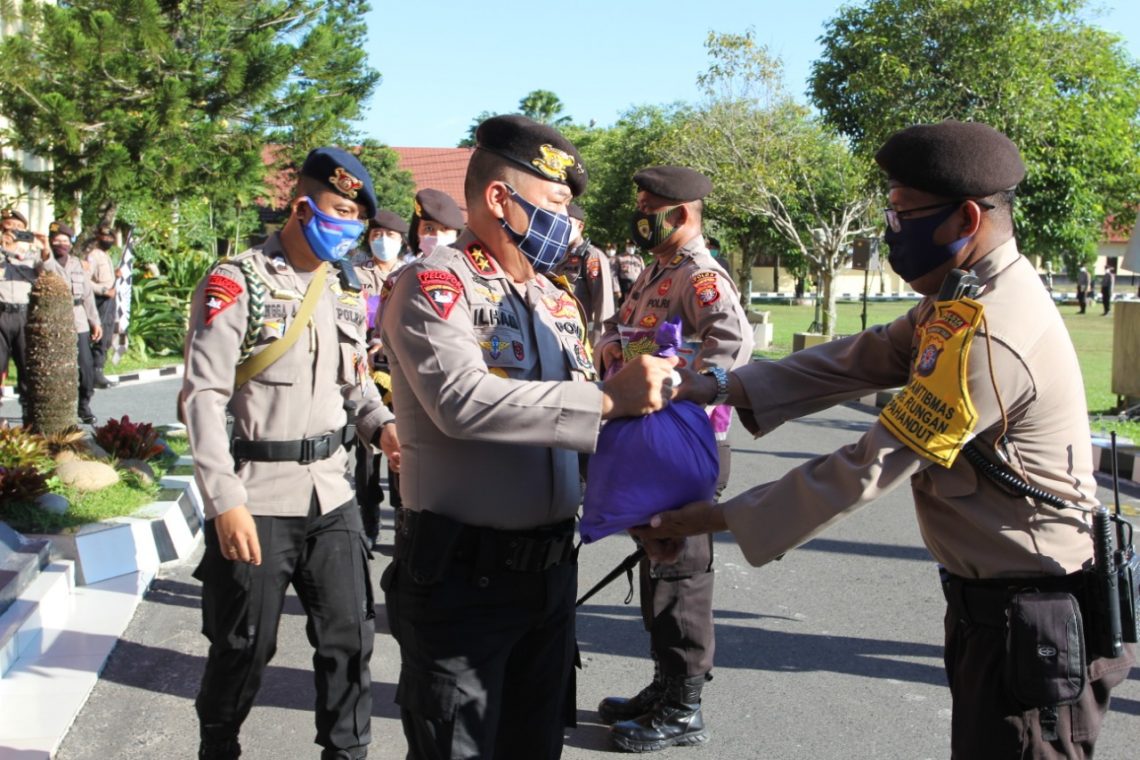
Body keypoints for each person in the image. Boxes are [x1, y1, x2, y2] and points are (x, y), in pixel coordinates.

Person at [635, 120, 1136, 758]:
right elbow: (861, 356)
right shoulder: (966, 293)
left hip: (1033, 614)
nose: (891, 231)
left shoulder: (992, 328)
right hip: (995, 605)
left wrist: (713, 517)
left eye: (903, 214)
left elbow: (871, 462)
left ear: (965, 218)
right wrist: (708, 385)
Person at [377, 114, 678, 760]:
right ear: (497, 200)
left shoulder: (555, 301)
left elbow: (571, 436)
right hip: (462, 583)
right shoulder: (436, 285)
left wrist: (638, 505)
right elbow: (461, 402)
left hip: (548, 580)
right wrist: (603, 397)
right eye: (555, 205)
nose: (567, 225)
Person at [180, 147, 399, 760]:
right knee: (244, 644)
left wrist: (382, 426)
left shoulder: (349, 286)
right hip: (258, 496)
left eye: (357, 219)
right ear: (301, 207)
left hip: (332, 492)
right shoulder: (238, 280)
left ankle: (346, 753)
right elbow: (202, 398)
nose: (351, 229)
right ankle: (218, 744)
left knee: (350, 640)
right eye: (337, 212)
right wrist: (223, 502)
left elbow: (353, 384)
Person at [592, 165, 753, 753]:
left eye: (648, 205)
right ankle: (665, 685)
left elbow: (732, 349)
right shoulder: (658, 270)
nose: (639, 214)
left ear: (681, 214)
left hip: (685, 441)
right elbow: (626, 332)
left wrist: (682, 384)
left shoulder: (700, 276)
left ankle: (686, 706)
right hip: (651, 440)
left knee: (682, 573)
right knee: (659, 567)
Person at [351, 208, 409, 549]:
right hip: (365, 374)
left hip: (399, 372)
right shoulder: (354, 275)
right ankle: (369, 516)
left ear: (401, 240)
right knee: (366, 452)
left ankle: (402, 514)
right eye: (375, 236)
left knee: (401, 444)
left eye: (388, 236)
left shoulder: (410, 273)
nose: (381, 242)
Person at [37, 221, 102, 424]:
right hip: (54, 321)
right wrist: (45, 251)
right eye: (56, 241)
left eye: (64, 241)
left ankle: (84, 405)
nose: (61, 245)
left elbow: (88, 296)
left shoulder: (77, 264)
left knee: (86, 366)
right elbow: (43, 269)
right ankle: (56, 412)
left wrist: (95, 322)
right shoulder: (45, 262)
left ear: (70, 244)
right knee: (55, 368)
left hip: (78, 319)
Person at [552, 203, 616, 348]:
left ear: (580, 227)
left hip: (580, 337)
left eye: (567, 223)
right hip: (555, 333)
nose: (561, 227)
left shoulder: (591, 256)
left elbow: (603, 305)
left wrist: (600, 345)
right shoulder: (555, 254)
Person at [0, 209, 37, 405]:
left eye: (18, 227)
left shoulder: (32, 251)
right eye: (9, 225)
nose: (13, 230)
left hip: (24, 315)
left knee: (26, 366)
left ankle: (29, 415)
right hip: (1, 314)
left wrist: (45, 247)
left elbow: (44, 271)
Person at [85, 225, 119, 388]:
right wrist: (104, 290)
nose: (107, 240)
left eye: (110, 238)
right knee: (100, 336)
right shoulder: (93, 256)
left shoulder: (106, 256)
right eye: (104, 237)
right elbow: (86, 280)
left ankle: (99, 371)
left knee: (107, 336)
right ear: (98, 238)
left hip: (109, 300)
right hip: (100, 300)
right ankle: (95, 374)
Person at [404, 188, 464, 264]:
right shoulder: (407, 274)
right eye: (429, 228)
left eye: (445, 228)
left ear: (457, 235)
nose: (437, 236)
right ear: (416, 233)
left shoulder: (470, 273)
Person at [615, 238, 645, 305]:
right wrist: (616, 289)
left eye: (632, 246)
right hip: (624, 286)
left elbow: (644, 273)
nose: (631, 248)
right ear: (626, 247)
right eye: (629, 246)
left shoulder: (639, 258)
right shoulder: (619, 258)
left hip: (637, 285)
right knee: (624, 306)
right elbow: (614, 275)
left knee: (636, 306)